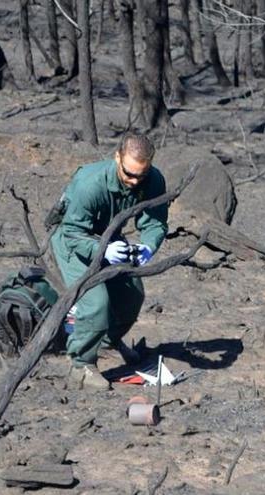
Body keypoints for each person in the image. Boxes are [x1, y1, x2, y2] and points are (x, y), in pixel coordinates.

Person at [51, 133, 168, 389]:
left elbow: (155, 222)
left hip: (110, 237)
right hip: (73, 241)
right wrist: (101, 250)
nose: (134, 181)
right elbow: (71, 232)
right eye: (129, 174)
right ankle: (81, 364)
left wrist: (148, 245)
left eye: (141, 175)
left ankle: (106, 340)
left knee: (131, 296)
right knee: (96, 303)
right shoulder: (89, 185)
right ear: (117, 158)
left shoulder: (154, 179)